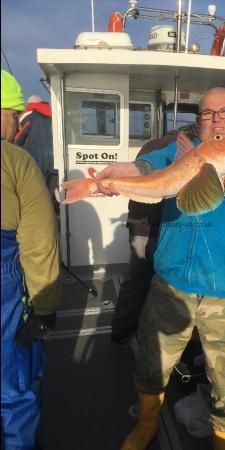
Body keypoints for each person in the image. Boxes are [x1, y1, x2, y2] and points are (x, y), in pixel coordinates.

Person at [96, 87, 225, 450]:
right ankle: (146, 424)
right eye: (207, 114)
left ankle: (224, 443)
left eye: (223, 112)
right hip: (172, 282)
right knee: (152, 363)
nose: (216, 120)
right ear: (199, 120)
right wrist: (126, 171)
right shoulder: (183, 148)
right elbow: (152, 166)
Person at [1, 70, 62, 449]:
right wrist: (45, 307)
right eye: (12, 115)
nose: (14, 125)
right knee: (13, 387)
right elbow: (38, 243)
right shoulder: (15, 161)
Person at [110, 126, 198, 346]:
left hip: (137, 224)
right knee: (161, 284)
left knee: (135, 278)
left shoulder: (148, 147)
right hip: (161, 227)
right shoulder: (180, 154)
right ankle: (149, 337)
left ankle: (120, 332)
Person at [14, 94, 58, 202]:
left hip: (36, 163)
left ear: (30, 104)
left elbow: (19, 137)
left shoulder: (28, 115)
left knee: (36, 197)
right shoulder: (55, 114)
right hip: (54, 163)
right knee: (49, 196)